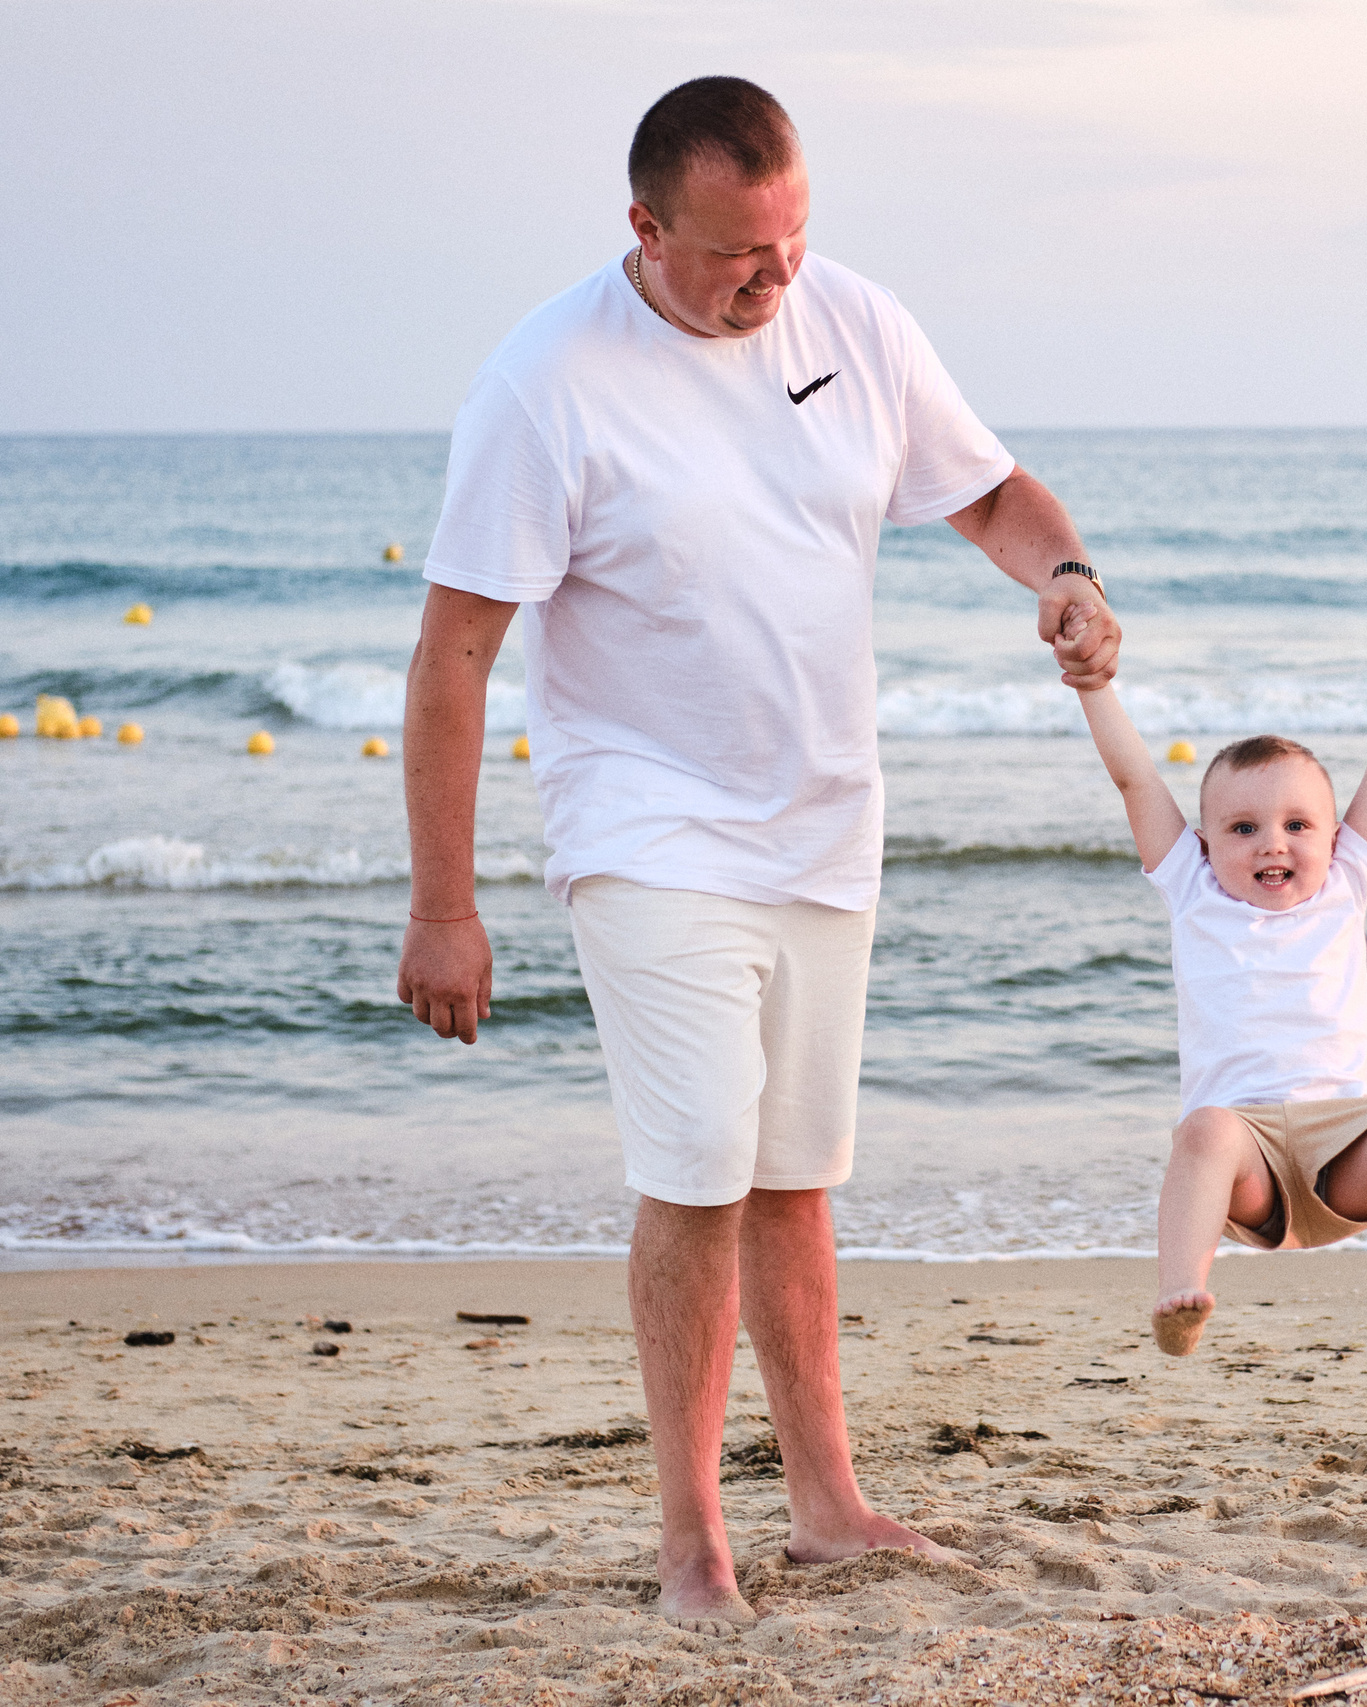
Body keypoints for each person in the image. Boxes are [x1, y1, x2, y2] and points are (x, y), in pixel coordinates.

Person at [393, 77, 1120, 1634]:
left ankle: (830, 1503)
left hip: (823, 822)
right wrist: (443, 905)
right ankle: (691, 1538)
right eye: (738, 254)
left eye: (792, 239)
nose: (774, 279)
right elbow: (455, 651)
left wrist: (1058, 573)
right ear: (646, 230)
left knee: (797, 1175)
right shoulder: (546, 383)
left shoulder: (850, 318)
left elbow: (985, 490)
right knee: (702, 1168)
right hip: (645, 826)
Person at [1059, 606, 1367, 1356]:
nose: (1272, 843)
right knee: (1203, 1129)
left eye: (1297, 824)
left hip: (1348, 1148)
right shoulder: (1192, 888)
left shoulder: (1346, 882)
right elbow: (1134, 778)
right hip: (1247, 1159)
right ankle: (1180, 1293)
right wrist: (1094, 685)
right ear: (1205, 840)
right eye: (1243, 828)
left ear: (1334, 835)